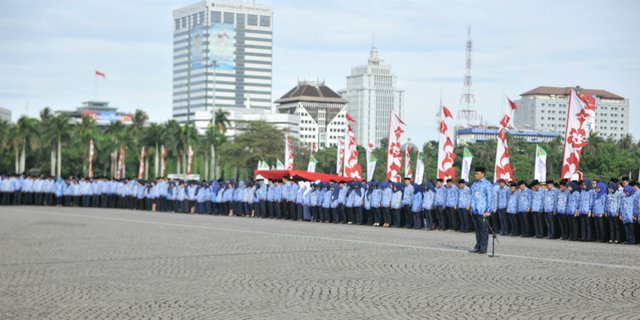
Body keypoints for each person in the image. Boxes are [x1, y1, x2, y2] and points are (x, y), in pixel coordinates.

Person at [469, 167, 493, 254]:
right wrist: (470, 206)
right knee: (477, 230)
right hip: (475, 210)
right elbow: (472, 196)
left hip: (483, 211)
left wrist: (488, 211)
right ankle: (478, 247)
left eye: (477, 174)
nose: (476, 175)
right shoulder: (474, 184)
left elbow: (490, 198)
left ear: (483, 174)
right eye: (475, 174)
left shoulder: (487, 184)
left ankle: (483, 248)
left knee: (483, 230)